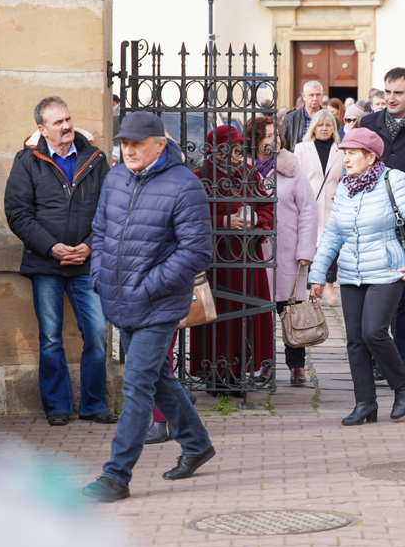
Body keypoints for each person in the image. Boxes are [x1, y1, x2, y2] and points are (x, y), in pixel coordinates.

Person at [83, 112, 216, 502]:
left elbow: (197, 252)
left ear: (160, 144)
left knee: (136, 384)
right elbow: (100, 231)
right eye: (124, 143)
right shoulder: (115, 178)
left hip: (158, 304)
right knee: (158, 378)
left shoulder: (184, 185)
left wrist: (148, 286)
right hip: (119, 298)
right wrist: (99, 275)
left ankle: (116, 477)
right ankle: (196, 444)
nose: (128, 150)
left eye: (137, 143)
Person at [4, 96, 116, 427]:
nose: (66, 126)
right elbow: (18, 214)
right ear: (42, 129)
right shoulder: (26, 161)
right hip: (46, 265)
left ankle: (94, 404)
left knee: (96, 333)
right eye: (58, 122)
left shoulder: (95, 159)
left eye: (68, 119)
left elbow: (111, 210)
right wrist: (52, 247)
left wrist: (90, 246)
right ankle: (57, 407)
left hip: (86, 263)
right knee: (51, 337)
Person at [309, 128, 405, 425]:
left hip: (388, 271)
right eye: (344, 153)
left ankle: (403, 384)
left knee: (373, 331)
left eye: (351, 153)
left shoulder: (393, 180)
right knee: (355, 341)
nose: (346, 158)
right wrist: (317, 274)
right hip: (351, 274)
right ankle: (365, 403)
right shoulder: (346, 186)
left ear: (370, 156)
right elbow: (332, 235)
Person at [189, 125, 274, 387]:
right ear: (219, 150)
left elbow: (267, 208)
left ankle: (240, 372)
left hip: (247, 258)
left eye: (239, 148)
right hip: (217, 261)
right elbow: (190, 216)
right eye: (233, 148)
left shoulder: (249, 173)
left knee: (244, 314)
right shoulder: (200, 176)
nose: (238, 153)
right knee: (218, 315)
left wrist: (256, 222)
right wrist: (223, 221)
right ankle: (215, 373)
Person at [360, 67, 405, 374]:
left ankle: (400, 360)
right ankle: (376, 358)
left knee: (404, 300)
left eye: (398, 93)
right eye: (387, 92)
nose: (390, 98)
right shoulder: (368, 123)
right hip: (372, 222)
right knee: (374, 297)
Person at [249, 116, 318, 385]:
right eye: (267, 136)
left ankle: (296, 366)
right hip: (254, 252)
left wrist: (305, 251)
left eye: (275, 135)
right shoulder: (245, 169)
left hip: (288, 251)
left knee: (291, 310)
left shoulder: (291, 168)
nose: (274, 140)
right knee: (260, 312)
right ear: (255, 141)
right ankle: (264, 364)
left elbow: (308, 211)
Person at [294, 109, 344, 305]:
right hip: (308, 203)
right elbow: (296, 175)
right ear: (314, 127)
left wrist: (341, 190)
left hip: (332, 204)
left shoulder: (341, 149)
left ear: (334, 128)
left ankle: (329, 284)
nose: (324, 129)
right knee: (308, 245)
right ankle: (308, 286)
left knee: (331, 244)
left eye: (329, 125)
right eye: (320, 125)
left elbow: (347, 175)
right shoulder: (302, 148)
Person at [283, 81, 324, 151]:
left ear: (322, 95)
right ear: (304, 96)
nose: (315, 98)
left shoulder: (331, 119)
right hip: (297, 160)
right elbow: (284, 145)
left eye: (318, 95)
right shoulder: (291, 118)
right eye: (311, 95)